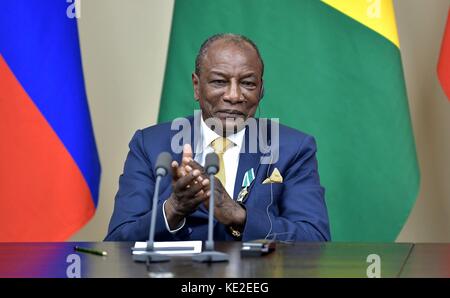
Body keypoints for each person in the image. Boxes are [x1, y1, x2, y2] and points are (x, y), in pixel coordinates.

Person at [105, 33, 330, 242]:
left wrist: (237, 215)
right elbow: (117, 242)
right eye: (219, 82)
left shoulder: (293, 148)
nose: (234, 95)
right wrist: (174, 208)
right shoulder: (150, 145)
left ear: (261, 90)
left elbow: (315, 240)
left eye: (248, 83)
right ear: (196, 86)